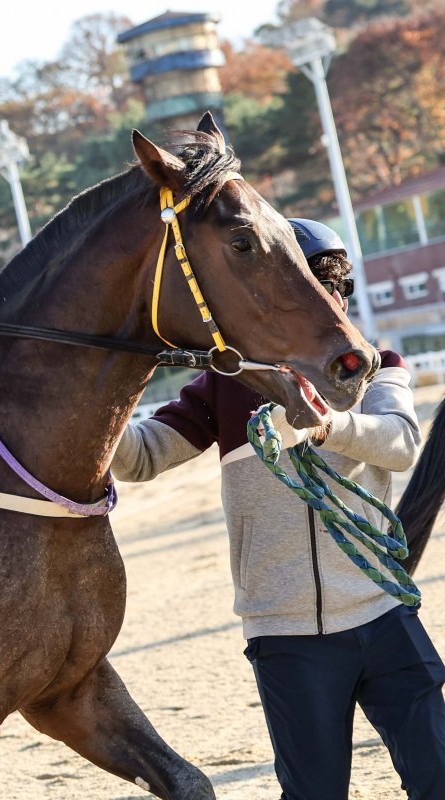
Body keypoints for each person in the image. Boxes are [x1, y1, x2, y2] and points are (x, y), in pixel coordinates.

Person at [113, 218, 445, 798]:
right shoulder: (224, 386)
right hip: (286, 637)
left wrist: (327, 428)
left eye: (329, 290)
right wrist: (95, 406)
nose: (322, 306)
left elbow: (399, 443)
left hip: (384, 614)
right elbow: (141, 458)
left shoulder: (378, 366)